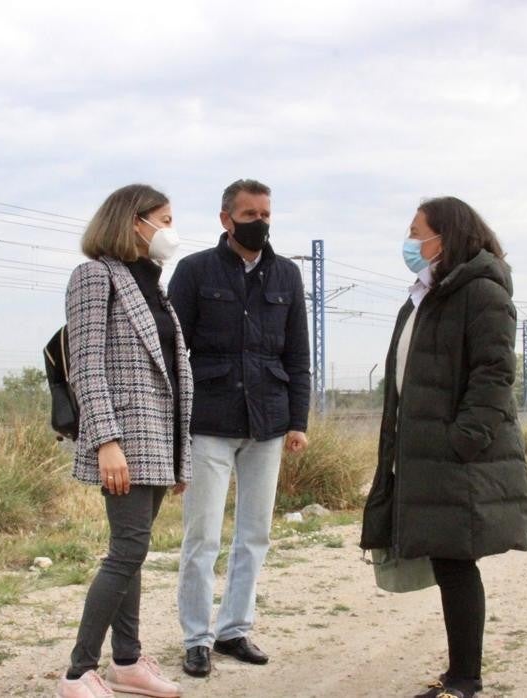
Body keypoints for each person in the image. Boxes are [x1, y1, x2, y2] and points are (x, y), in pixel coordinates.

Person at [360, 196, 527, 698]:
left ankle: (464, 680)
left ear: (446, 236)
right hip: (424, 452)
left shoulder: (481, 292)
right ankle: (461, 675)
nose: (411, 242)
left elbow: (495, 374)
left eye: (418, 232)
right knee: (448, 558)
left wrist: (464, 440)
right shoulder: (426, 295)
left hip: (455, 453)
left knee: (457, 561)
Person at [168, 178, 311, 678]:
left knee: (254, 534)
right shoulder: (193, 271)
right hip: (208, 419)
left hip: (268, 421)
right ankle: (196, 637)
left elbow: (297, 353)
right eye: (249, 215)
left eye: (266, 213)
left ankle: (234, 630)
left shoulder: (287, 275)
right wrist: (172, 424)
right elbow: (170, 352)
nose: (260, 223)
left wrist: (298, 420)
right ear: (226, 219)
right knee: (202, 535)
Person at [57, 184, 192, 698]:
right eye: (164, 218)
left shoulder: (151, 283)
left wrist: (180, 454)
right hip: (124, 439)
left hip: (159, 439)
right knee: (128, 550)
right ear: (134, 222)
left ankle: (128, 661)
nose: (170, 229)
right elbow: (85, 366)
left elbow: (172, 376)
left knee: (132, 551)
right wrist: (105, 441)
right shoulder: (94, 276)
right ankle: (78, 671)